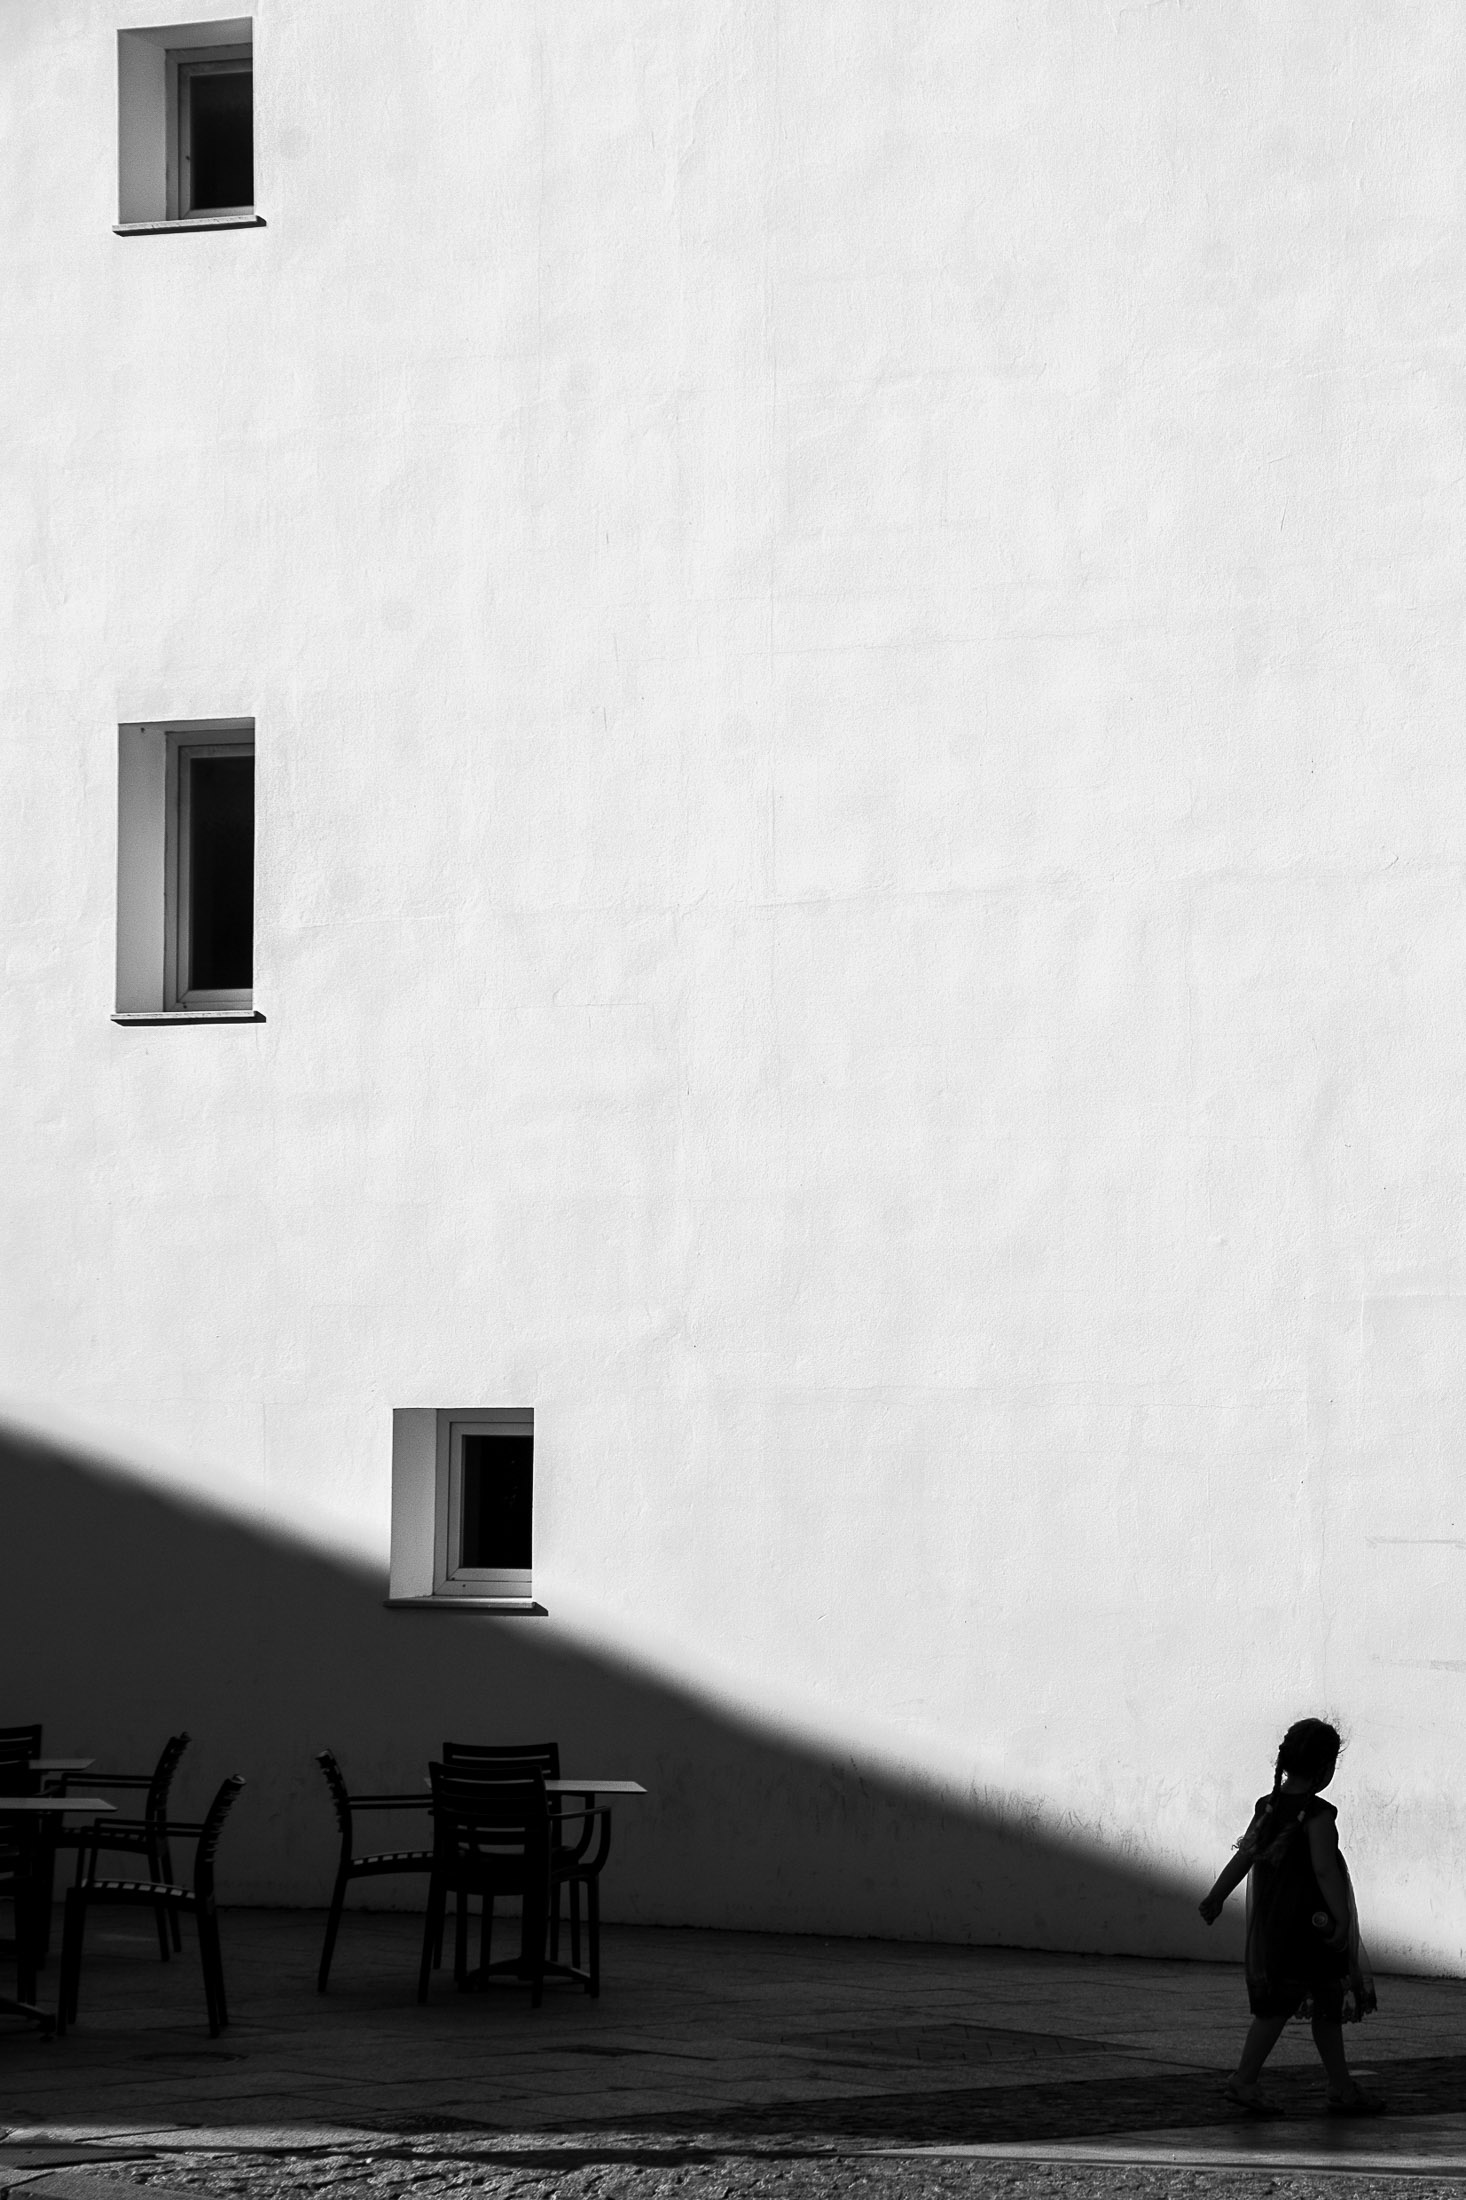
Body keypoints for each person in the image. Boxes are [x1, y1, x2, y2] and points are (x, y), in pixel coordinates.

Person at [1199, 1717, 1379, 2117]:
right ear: (1325, 1768)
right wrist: (1343, 1919)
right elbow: (1324, 1870)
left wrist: (1216, 1896)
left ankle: (1340, 2085)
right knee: (1290, 2007)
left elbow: (1244, 1855)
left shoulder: (1268, 1807)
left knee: (1319, 2003)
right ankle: (1244, 2080)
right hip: (1312, 1924)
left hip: (1277, 1924)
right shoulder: (1317, 1815)